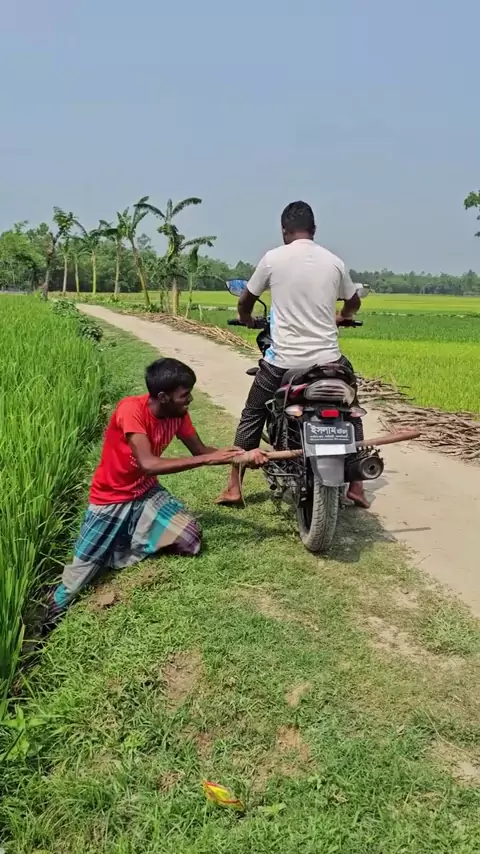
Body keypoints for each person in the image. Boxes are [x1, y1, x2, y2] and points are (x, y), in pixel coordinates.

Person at [49, 357, 252, 617]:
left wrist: (243, 456)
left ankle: (117, 547)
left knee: (189, 539)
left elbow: (201, 451)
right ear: (163, 397)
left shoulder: (178, 414)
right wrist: (208, 460)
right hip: (112, 498)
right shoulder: (131, 410)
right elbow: (148, 463)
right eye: (184, 395)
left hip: (145, 491)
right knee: (76, 580)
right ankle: (48, 614)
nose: (190, 400)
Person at [216, 200, 369, 509]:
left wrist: (246, 319)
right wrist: (342, 316)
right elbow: (353, 302)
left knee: (253, 413)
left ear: (284, 230)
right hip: (328, 361)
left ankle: (234, 486)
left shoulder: (273, 259)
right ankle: (357, 486)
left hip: (282, 362)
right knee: (351, 409)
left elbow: (245, 301)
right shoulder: (334, 262)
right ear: (314, 229)